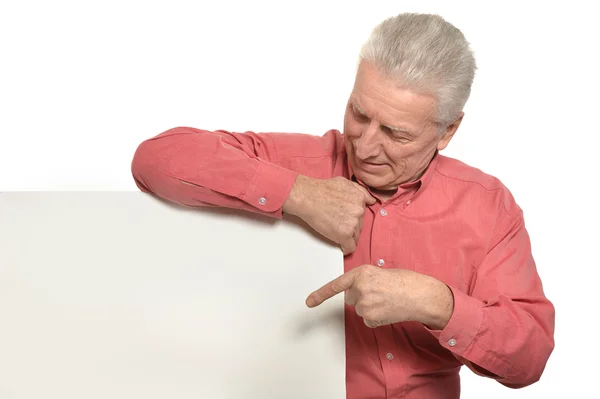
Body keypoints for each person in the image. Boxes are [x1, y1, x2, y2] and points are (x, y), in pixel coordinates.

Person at [130, 12, 555, 399]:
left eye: (396, 133)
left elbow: (529, 358)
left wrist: (438, 303)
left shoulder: (487, 205)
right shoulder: (298, 162)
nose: (366, 146)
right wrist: (296, 193)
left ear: (448, 131)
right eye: (358, 113)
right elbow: (156, 160)